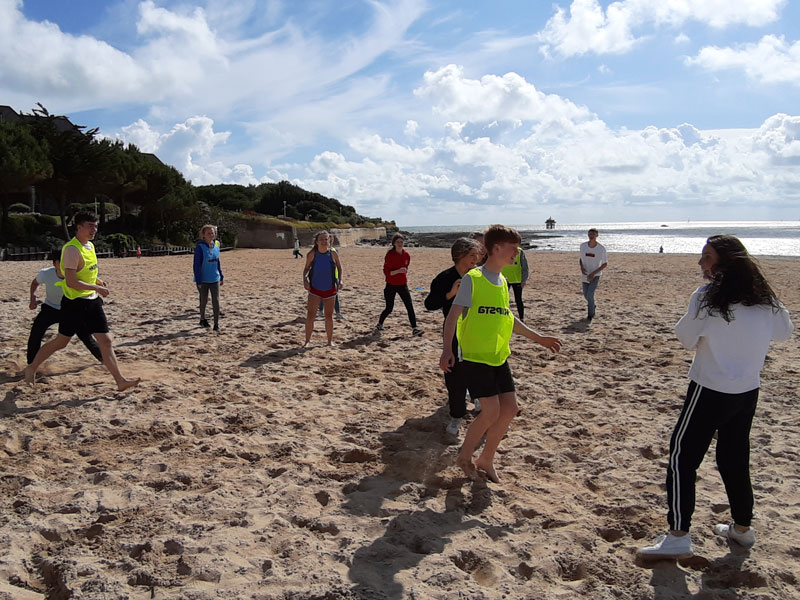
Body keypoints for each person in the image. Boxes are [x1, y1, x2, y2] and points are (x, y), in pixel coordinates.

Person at [639, 235, 793, 559]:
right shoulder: (765, 298)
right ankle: (742, 529)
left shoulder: (707, 296)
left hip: (708, 389)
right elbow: (784, 333)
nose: (700, 263)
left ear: (725, 263)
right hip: (747, 391)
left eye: (706, 257)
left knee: (682, 457)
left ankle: (679, 534)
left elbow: (684, 338)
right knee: (734, 458)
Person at [440, 225, 562, 483]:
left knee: (510, 409)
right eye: (513, 248)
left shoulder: (503, 281)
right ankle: (464, 456)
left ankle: (486, 459)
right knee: (491, 411)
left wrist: (539, 338)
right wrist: (447, 350)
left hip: (498, 356)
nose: (517, 253)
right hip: (474, 357)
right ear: (496, 249)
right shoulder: (474, 279)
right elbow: (452, 317)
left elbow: (508, 318)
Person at [24, 212, 140, 391]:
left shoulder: (90, 246)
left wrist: (97, 281)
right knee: (61, 342)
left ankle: (120, 381)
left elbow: (86, 273)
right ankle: (31, 368)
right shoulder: (71, 249)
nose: (94, 229)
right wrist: (97, 288)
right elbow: (71, 281)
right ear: (79, 227)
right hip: (74, 304)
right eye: (89, 226)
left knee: (106, 340)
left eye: (95, 226)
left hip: (92, 301)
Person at [425, 237, 482, 437]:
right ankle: (456, 415)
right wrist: (451, 294)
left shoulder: (480, 275)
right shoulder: (444, 277)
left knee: (477, 368)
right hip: (454, 331)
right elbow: (429, 304)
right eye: (472, 255)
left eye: (478, 254)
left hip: (477, 331)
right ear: (460, 256)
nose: (477, 259)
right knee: (454, 372)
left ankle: (477, 399)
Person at [26, 249, 103, 365]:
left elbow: (91, 281)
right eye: (61, 261)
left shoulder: (76, 275)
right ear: (54, 263)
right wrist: (33, 298)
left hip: (72, 310)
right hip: (50, 308)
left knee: (86, 337)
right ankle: (31, 364)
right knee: (36, 333)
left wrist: (99, 283)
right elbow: (35, 283)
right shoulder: (46, 273)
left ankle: (104, 360)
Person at [376, 234, 422, 336]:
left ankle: (415, 328)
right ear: (394, 243)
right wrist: (398, 271)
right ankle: (380, 324)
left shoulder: (406, 255)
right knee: (389, 308)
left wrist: (402, 272)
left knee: (409, 306)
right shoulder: (390, 255)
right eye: (398, 242)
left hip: (402, 284)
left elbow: (406, 268)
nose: (400, 244)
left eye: (401, 242)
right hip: (391, 285)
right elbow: (387, 273)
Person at [303, 230, 343, 346]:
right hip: (315, 289)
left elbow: (340, 268)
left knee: (328, 316)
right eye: (321, 239)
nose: (324, 241)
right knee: (311, 315)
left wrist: (340, 280)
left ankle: (330, 341)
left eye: (326, 239)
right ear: (316, 241)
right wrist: (305, 280)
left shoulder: (333, 253)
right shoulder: (312, 254)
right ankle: (307, 341)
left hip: (330, 289)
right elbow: (306, 269)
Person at [194, 225, 224, 332]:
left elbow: (217, 262)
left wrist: (221, 275)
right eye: (208, 233)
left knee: (216, 301)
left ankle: (216, 324)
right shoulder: (200, 247)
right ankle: (202, 319)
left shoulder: (216, 247)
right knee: (204, 300)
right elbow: (196, 265)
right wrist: (198, 280)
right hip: (203, 279)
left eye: (212, 233)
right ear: (203, 235)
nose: (211, 235)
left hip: (214, 278)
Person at [579, 228, 607, 321]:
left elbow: (604, 264)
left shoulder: (601, 249)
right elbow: (581, 259)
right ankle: (592, 305)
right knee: (585, 295)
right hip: (585, 274)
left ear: (597, 235)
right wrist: (582, 268)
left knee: (590, 294)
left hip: (595, 274)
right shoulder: (583, 246)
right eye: (590, 234)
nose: (591, 236)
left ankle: (590, 314)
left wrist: (593, 274)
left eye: (593, 234)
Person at [317, 233, 345, 320]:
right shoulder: (318, 251)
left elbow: (339, 266)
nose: (330, 240)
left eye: (330, 239)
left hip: (334, 277)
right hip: (322, 277)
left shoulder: (333, 251)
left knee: (335, 296)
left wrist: (340, 280)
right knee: (322, 295)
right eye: (329, 238)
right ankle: (321, 311)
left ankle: (338, 313)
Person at [501, 246, 529, 320]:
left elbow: (525, 267)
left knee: (518, 300)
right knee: (503, 299)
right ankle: (504, 316)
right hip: (504, 280)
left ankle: (521, 318)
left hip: (517, 280)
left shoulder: (519, 251)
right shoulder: (501, 249)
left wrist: (524, 280)